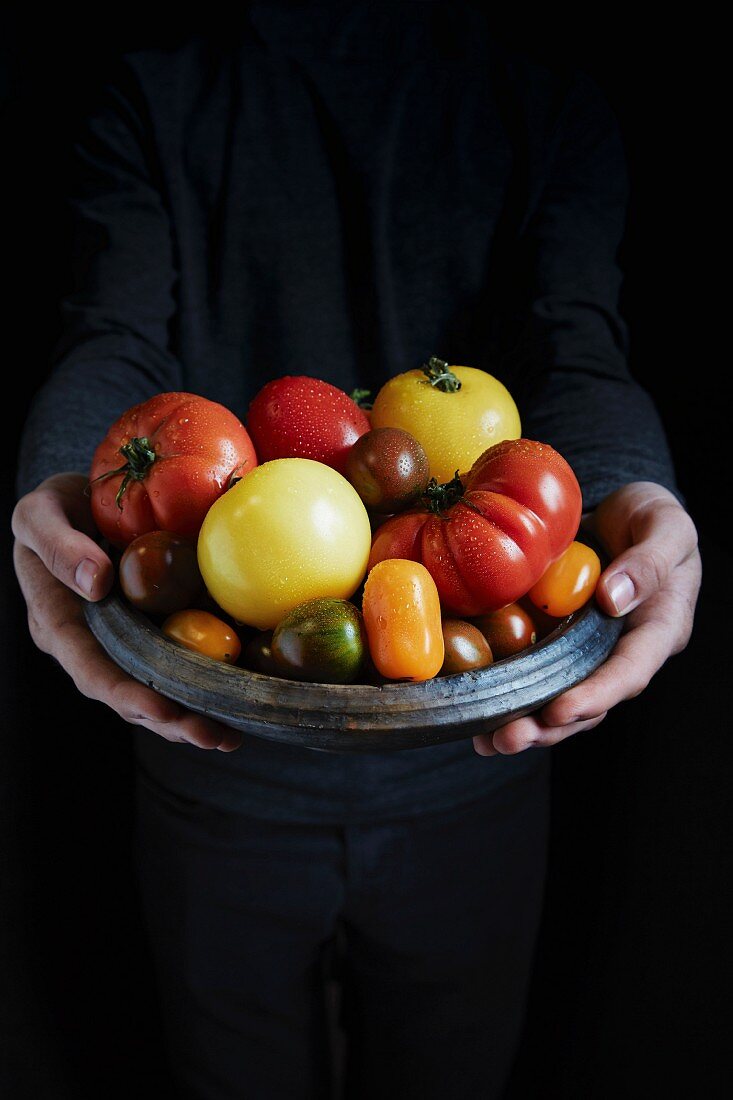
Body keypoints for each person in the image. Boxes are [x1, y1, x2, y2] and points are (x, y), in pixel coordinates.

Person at [11, 5, 701, 1098]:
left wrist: (634, 489)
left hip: (474, 767)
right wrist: (59, 482)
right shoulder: (152, 97)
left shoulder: (548, 103)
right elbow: (113, 337)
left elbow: (577, 344)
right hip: (215, 755)